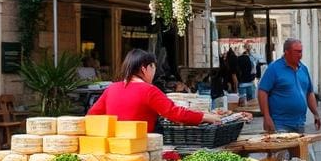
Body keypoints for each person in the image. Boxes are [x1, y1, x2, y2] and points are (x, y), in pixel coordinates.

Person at [88, 49, 221, 131]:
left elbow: (92, 115)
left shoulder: (111, 88)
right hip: (142, 147)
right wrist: (205, 117)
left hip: (114, 146)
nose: (154, 72)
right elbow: (175, 113)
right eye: (153, 68)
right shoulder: (148, 90)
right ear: (144, 69)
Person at [258, 38, 321, 134]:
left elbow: (309, 93)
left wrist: (316, 114)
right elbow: (262, 92)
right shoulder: (274, 68)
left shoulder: (303, 69)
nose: (300, 55)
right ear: (286, 52)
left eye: (301, 51)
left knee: (300, 149)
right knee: (281, 148)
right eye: (297, 52)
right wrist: (266, 116)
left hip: (299, 123)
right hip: (279, 123)